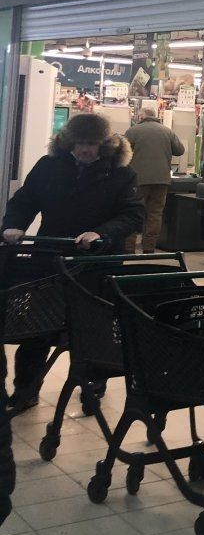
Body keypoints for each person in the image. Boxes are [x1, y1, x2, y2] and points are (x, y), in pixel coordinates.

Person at [1, 113, 144, 414]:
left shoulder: (121, 174)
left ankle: (93, 386)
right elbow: (25, 200)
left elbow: (133, 214)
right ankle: (26, 389)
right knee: (37, 328)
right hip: (49, 259)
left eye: (91, 144)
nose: (84, 150)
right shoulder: (49, 166)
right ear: (67, 142)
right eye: (78, 143)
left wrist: (101, 233)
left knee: (95, 329)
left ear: (105, 145)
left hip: (97, 262)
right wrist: (13, 225)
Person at [125, 101, 185, 254]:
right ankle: (149, 247)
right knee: (155, 214)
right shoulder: (167, 131)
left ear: (141, 116)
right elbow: (180, 150)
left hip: (138, 180)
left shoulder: (133, 131)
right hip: (162, 180)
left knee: (133, 212)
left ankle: (129, 248)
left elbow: (122, 151)